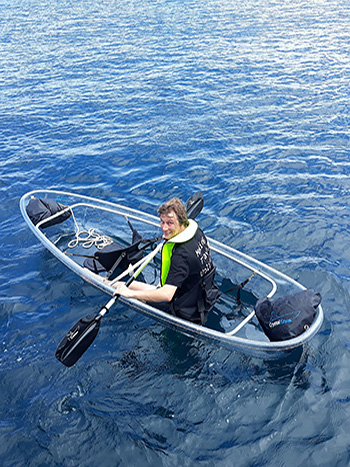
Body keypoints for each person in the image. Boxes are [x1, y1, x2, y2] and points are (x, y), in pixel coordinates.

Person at [112, 197, 219, 324]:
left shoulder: (181, 256)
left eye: (170, 223)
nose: (164, 227)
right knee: (138, 287)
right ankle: (110, 283)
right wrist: (171, 234)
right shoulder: (196, 232)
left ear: (181, 222)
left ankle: (107, 283)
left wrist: (130, 294)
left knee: (133, 291)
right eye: (162, 222)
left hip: (186, 310)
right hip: (204, 295)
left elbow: (167, 295)